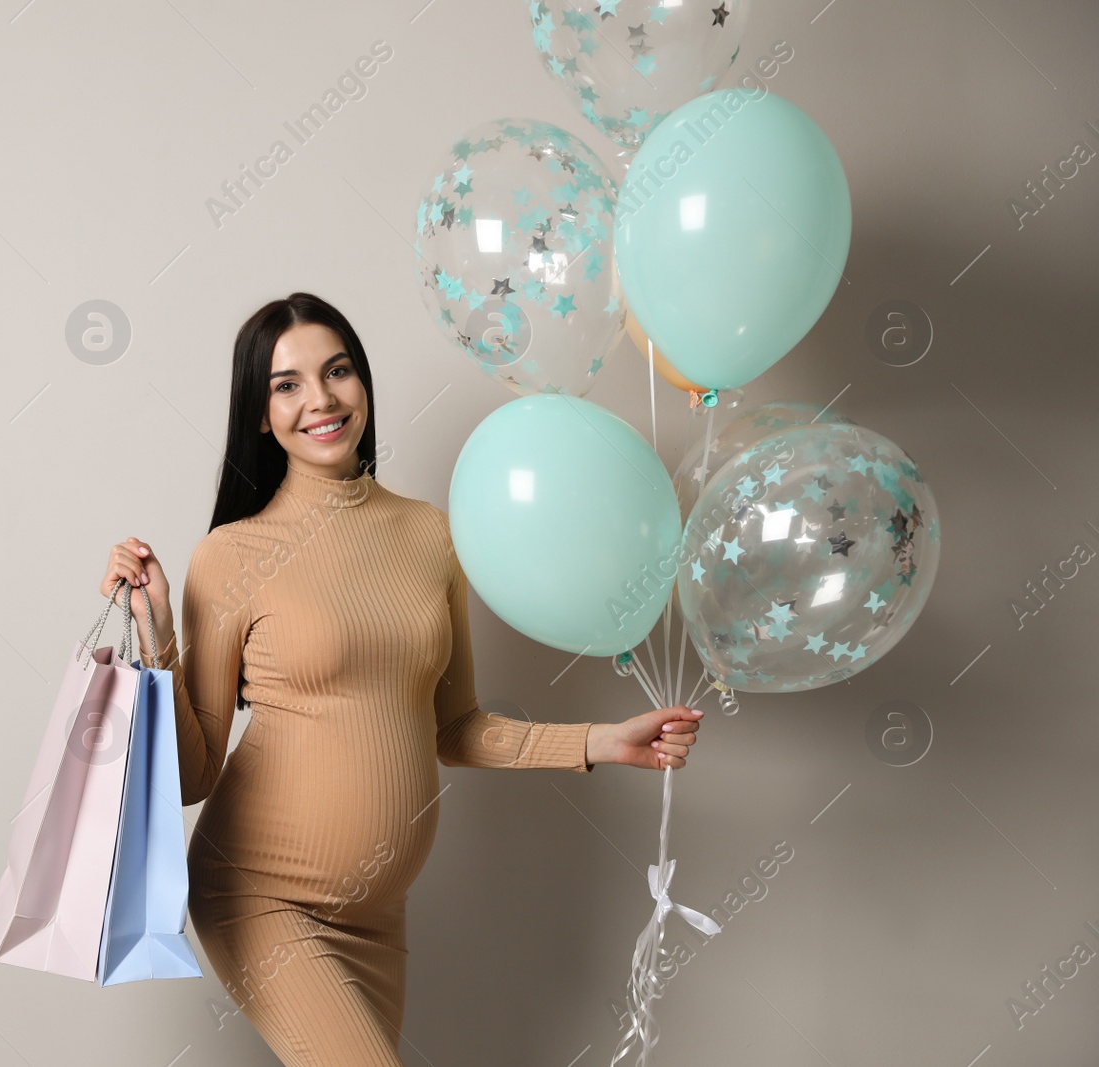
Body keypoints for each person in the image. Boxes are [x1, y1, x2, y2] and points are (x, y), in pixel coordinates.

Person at [98, 292, 702, 1066]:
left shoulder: (429, 534)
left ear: (363, 383)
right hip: (260, 894)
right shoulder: (232, 555)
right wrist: (159, 642)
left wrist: (603, 741)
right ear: (259, 413)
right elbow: (192, 773)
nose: (320, 398)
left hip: (380, 914)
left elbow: (456, 727)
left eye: (338, 370)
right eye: (287, 384)